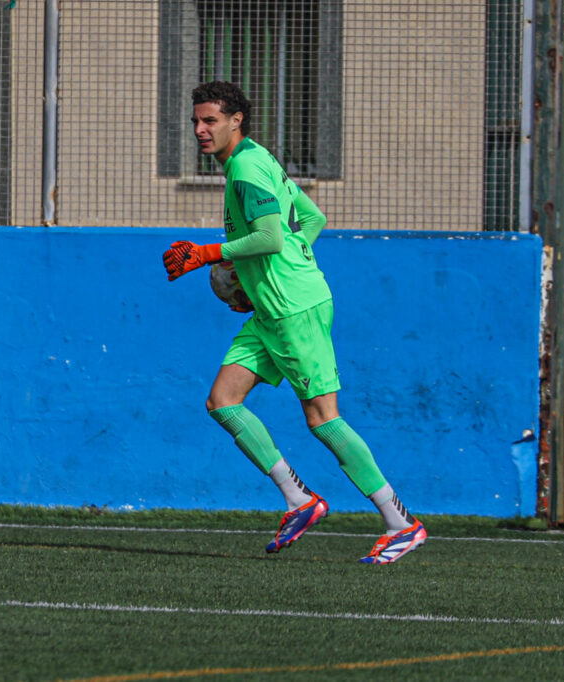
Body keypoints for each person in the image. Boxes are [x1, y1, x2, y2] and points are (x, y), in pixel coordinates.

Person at [163, 81, 426, 563]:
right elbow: (313, 219)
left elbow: (269, 238)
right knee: (223, 402)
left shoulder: (245, 167)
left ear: (235, 121)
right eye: (196, 121)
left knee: (323, 419)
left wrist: (208, 254)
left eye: (210, 121)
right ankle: (300, 499)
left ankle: (400, 522)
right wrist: (266, 279)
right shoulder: (258, 157)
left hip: (293, 311)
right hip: (273, 308)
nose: (200, 130)